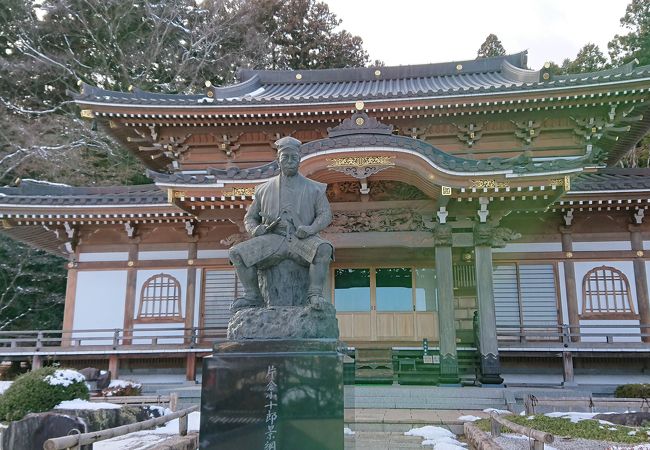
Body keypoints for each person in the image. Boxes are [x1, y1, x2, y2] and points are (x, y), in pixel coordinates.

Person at [229, 136, 333, 311]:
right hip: (274, 239)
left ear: (299, 160)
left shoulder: (315, 188)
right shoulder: (263, 189)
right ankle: (252, 295)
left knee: (324, 249)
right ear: (278, 160)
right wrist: (256, 229)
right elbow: (250, 218)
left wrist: (310, 229)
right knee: (236, 253)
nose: (290, 162)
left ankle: (314, 295)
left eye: (294, 158)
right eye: (286, 158)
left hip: (301, 239)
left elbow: (325, 214)